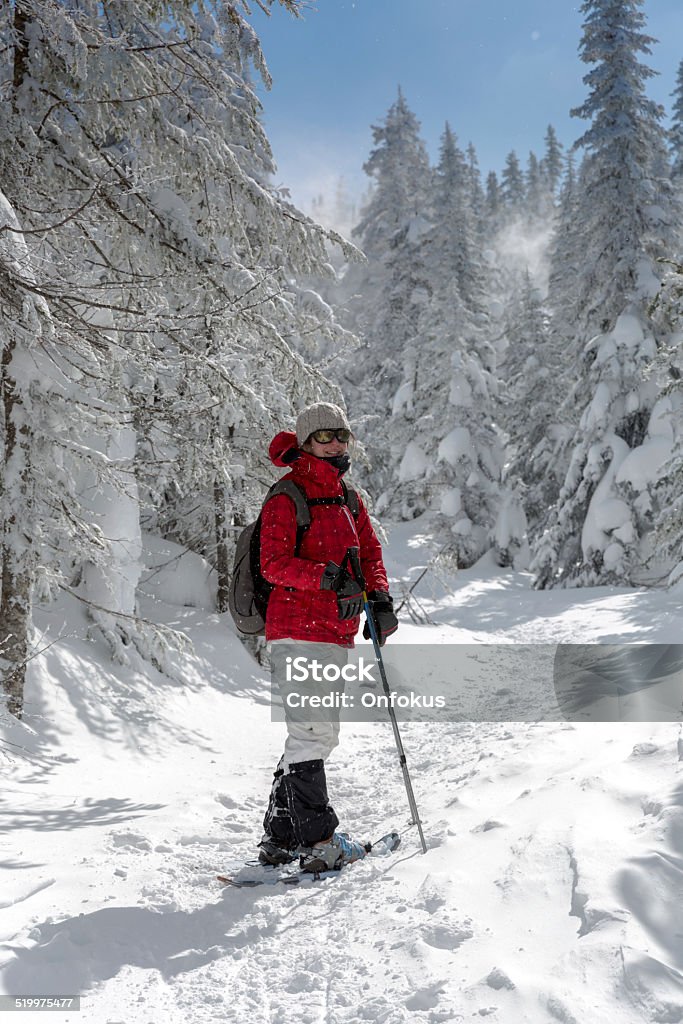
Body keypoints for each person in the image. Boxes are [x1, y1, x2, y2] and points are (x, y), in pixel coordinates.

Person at [258, 401, 398, 872]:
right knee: (313, 733)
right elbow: (272, 564)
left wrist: (378, 599)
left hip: (335, 631)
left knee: (312, 734)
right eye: (324, 436)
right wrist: (327, 578)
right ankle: (319, 843)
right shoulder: (287, 495)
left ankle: (279, 839)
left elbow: (370, 552)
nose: (336, 443)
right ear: (305, 442)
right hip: (296, 629)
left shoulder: (348, 498)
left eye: (342, 435)